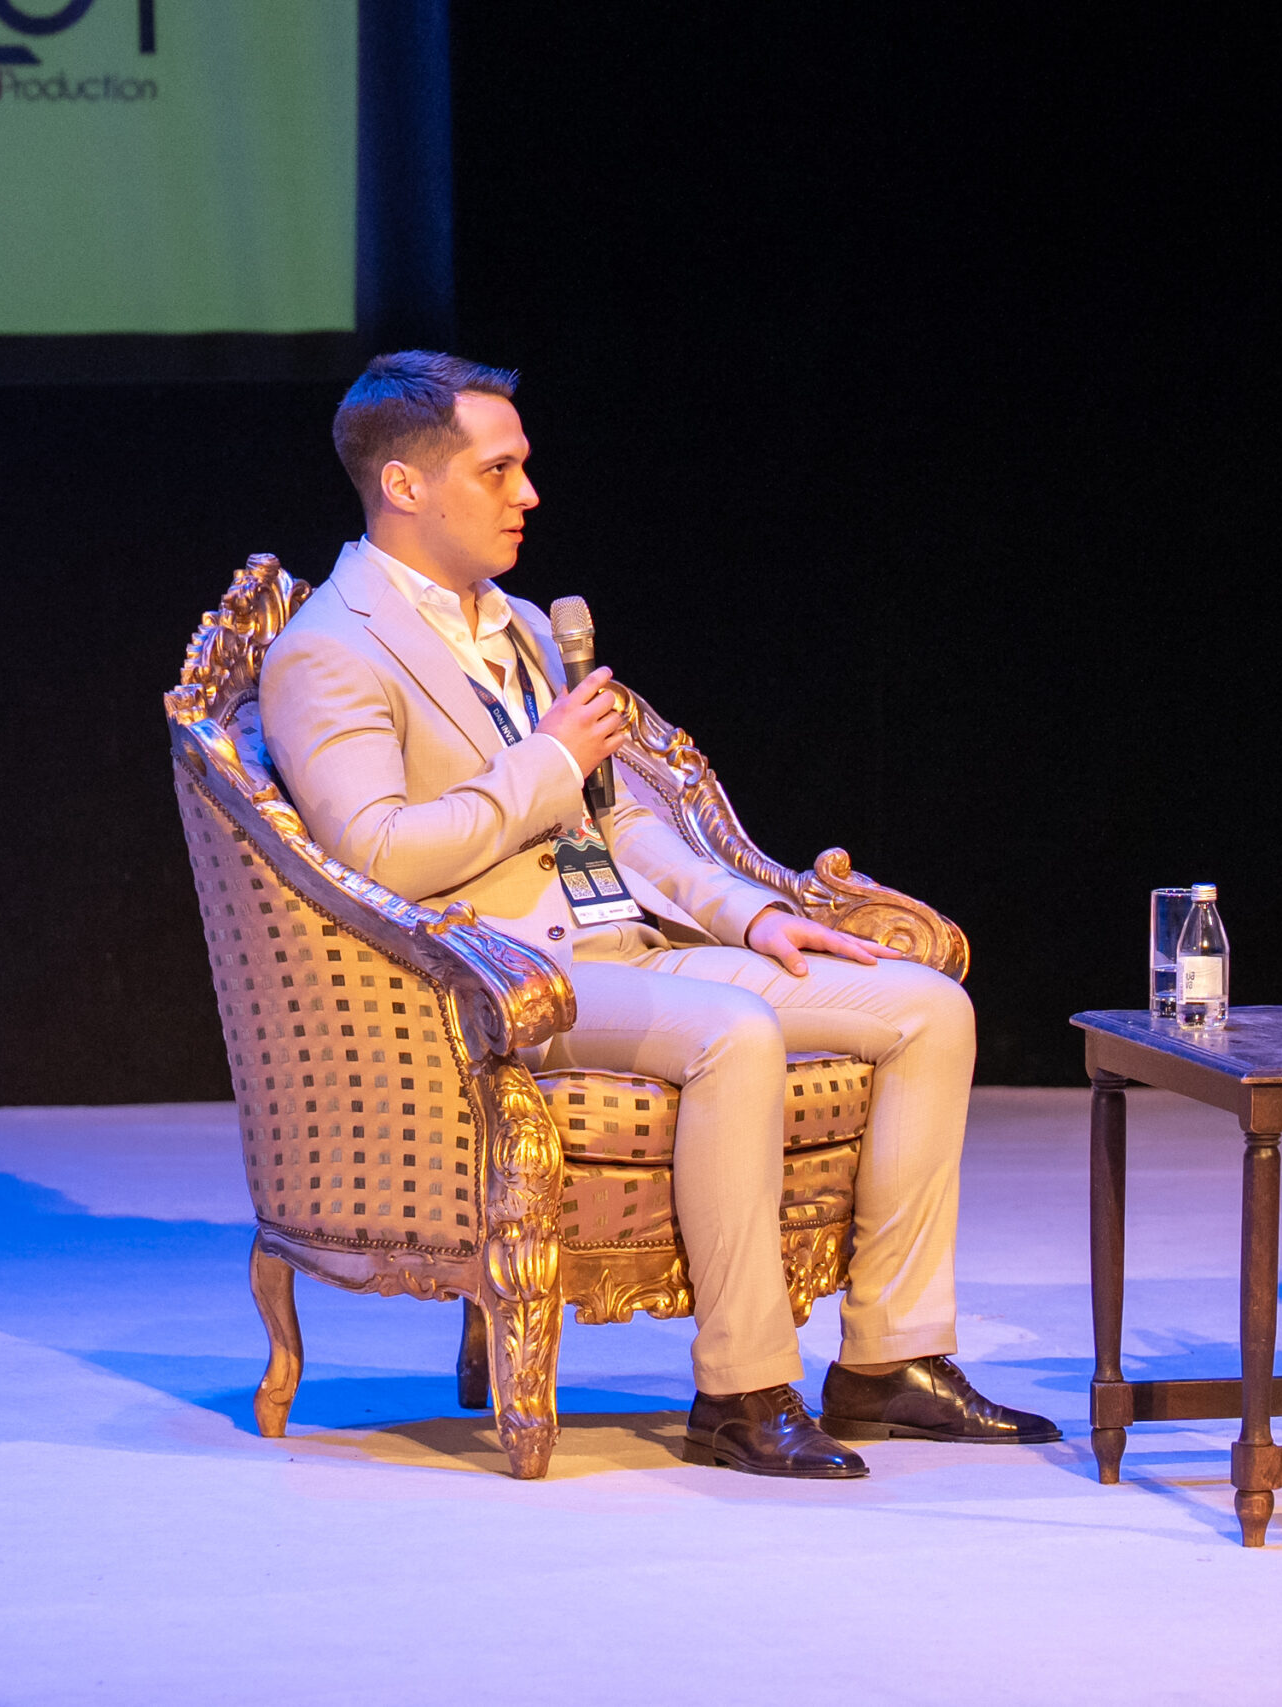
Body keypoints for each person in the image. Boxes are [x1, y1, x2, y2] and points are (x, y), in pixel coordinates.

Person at [260, 350, 1058, 1478]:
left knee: (926, 1009)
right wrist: (543, 763)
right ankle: (742, 1389)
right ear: (404, 484)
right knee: (735, 1034)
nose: (528, 493)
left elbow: (620, 819)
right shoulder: (328, 649)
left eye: (522, 466)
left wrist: (750, 918)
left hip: (623, 944)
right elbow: (376, 853)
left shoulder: (520, 623)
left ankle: (891, 1358)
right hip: (497, 979)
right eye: (498, 470)